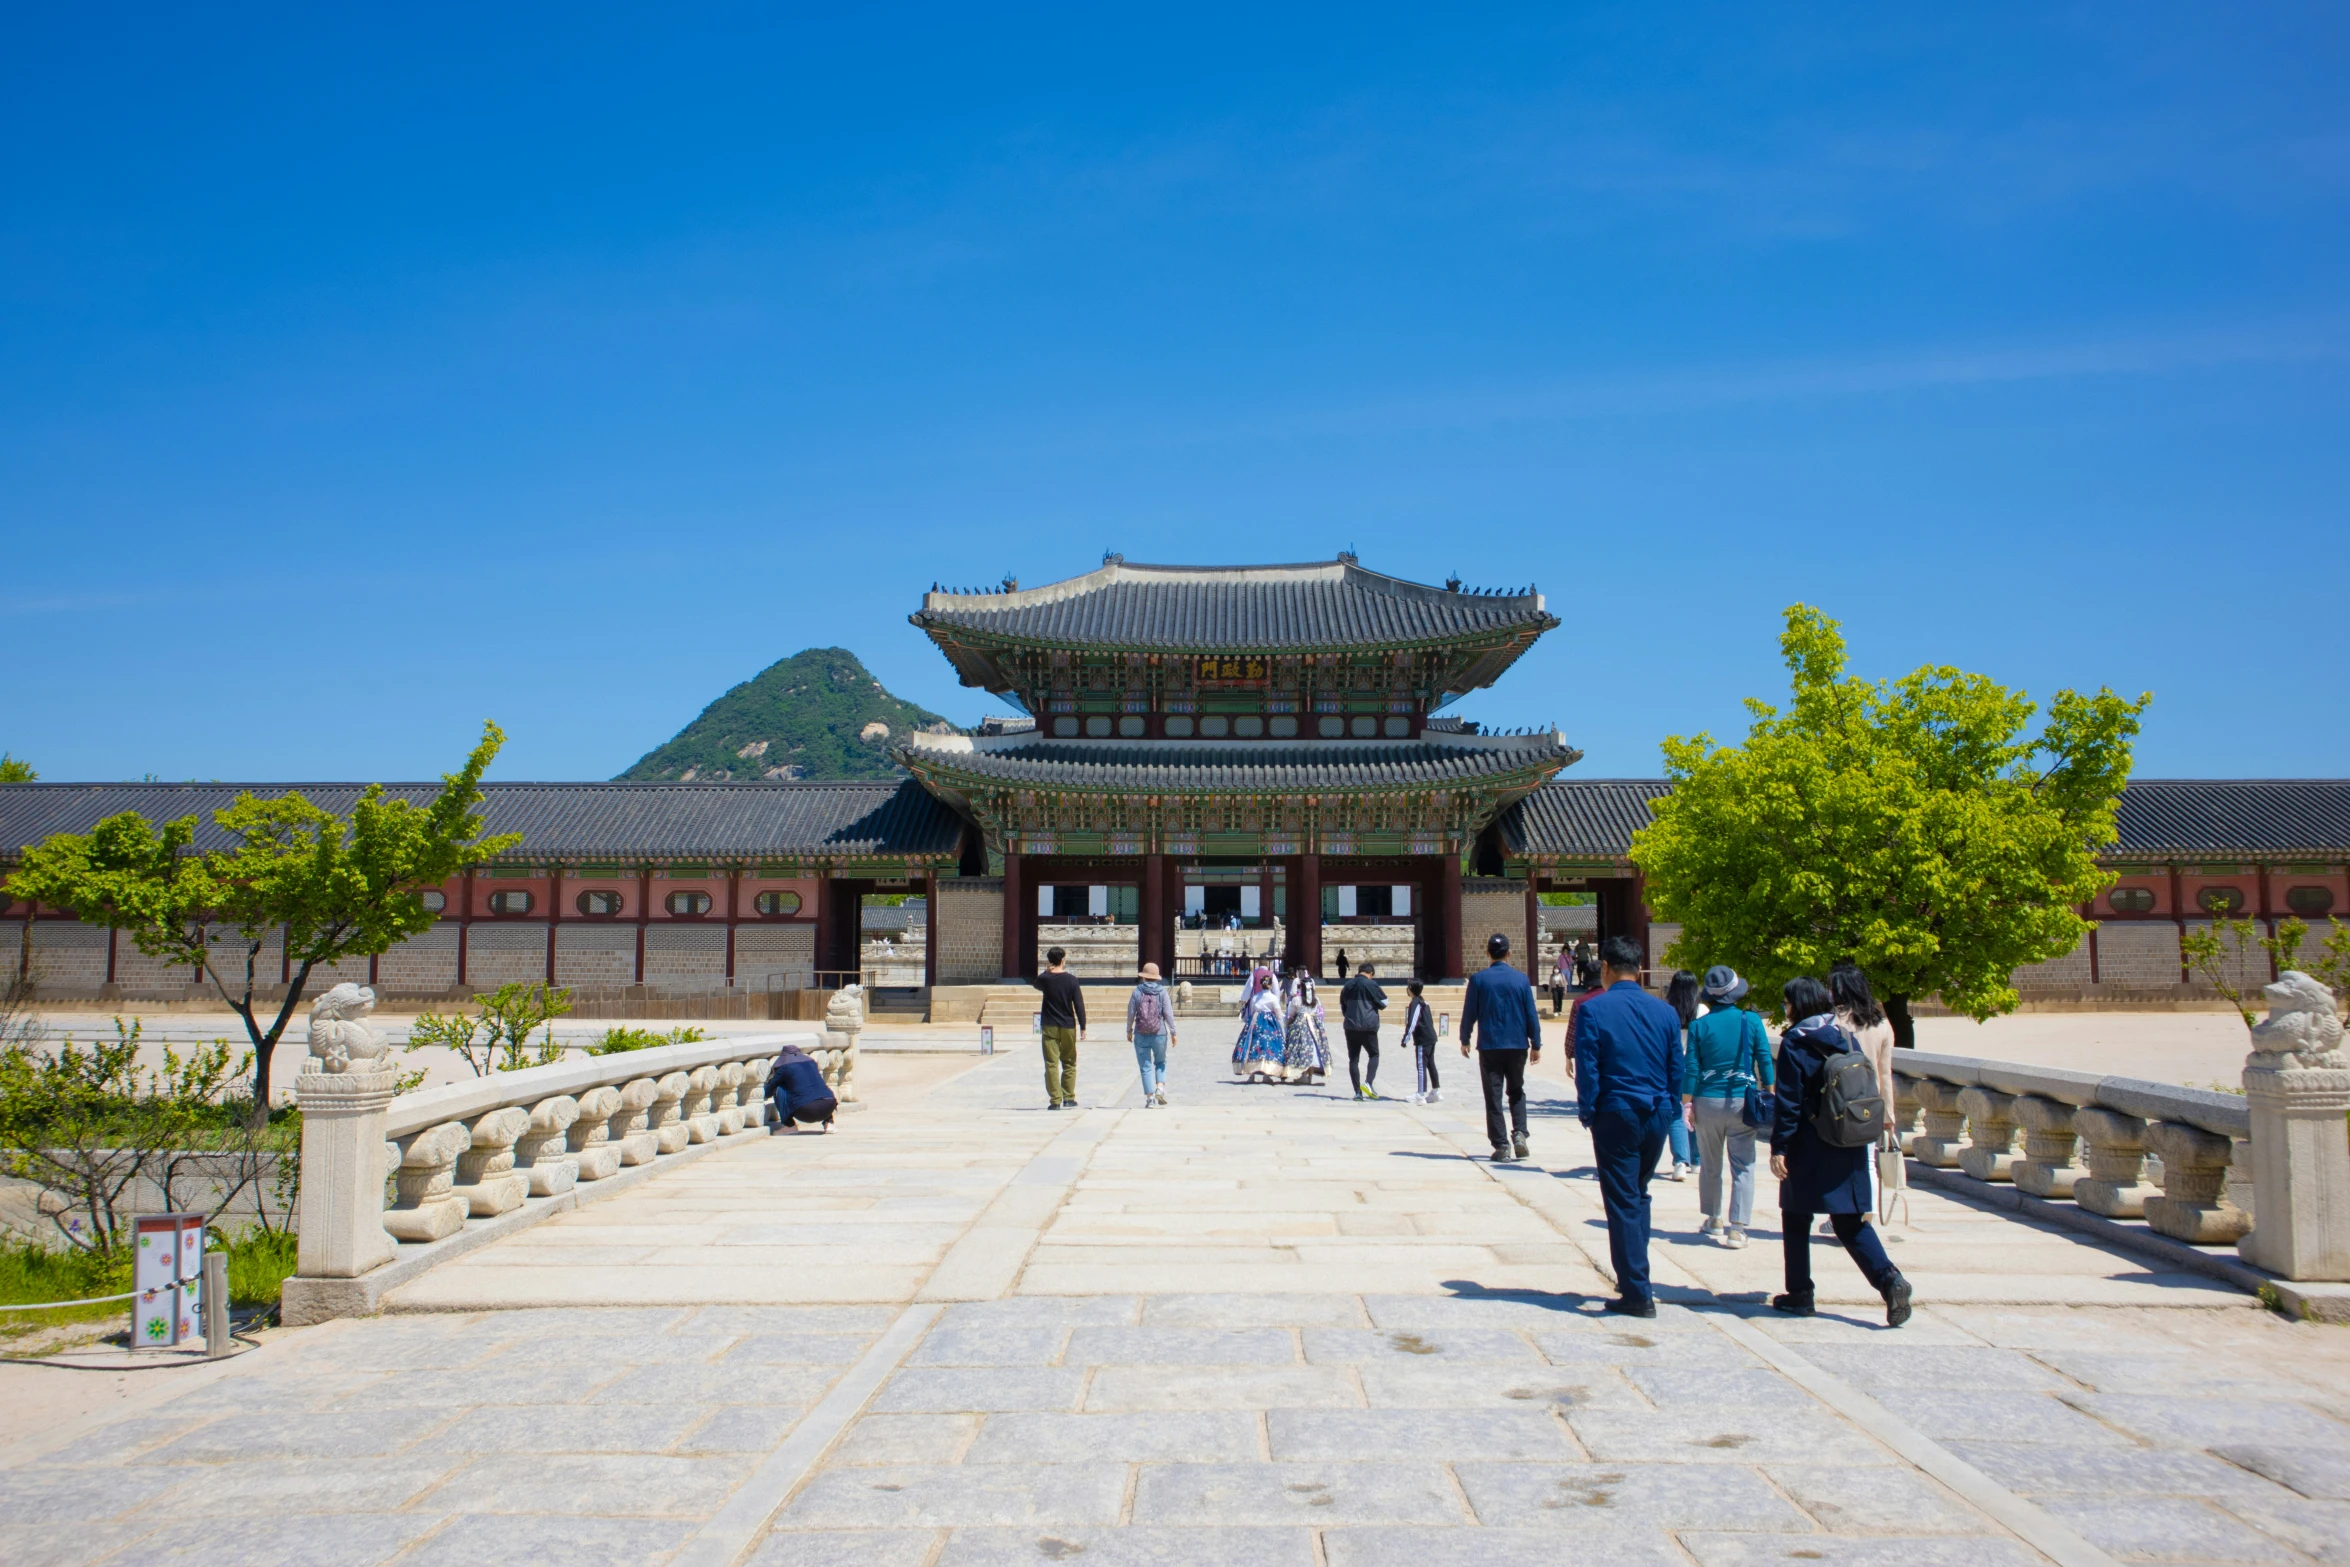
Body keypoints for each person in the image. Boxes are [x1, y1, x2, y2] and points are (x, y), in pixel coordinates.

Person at [1770, 975, 1913, 1326]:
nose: (1785, 1008)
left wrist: (1779, 1146)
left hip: (1808, 1142)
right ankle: (1890, 1279)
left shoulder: (1796, 1041)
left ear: (1798, 1004)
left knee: (1796, 1215)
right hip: (1847, 1139)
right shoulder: (1843, 1035)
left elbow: (1788, 1101)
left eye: (1787, 1002)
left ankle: (1800, 1292)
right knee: (1849, 1220)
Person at [1571, 934, 1684, 1317]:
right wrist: (1669, 1109)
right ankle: (1636, 1275)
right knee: (1638, 1194)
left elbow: (1589, 1068)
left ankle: (1637, 1291)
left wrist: (1588, 1110)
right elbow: (1675, 1070)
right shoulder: (1665, 1012)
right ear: (1638, 968)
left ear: (1605, 967)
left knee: (1621, 1201)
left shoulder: (1594, 1010)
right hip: (1656, 1113)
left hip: (1616, 1112)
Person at [1680, 965, 1772, 1248]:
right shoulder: (1751, 1020)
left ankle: (1714, 1218)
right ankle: (1739, 1227)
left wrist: (1687, 1103)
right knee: (1743, 1164)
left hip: (1707, 1099)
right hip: (1742, 1098)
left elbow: (1692, 1066)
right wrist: (1769, 1091)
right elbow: (1764, 1059)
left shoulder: (1699, 1026)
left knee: (1710, 1163)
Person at [1460, 932, 1543, 1160]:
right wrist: (1536, 1042)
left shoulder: (1478, 980)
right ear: (1509, 953)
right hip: (1517, 1044)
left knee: (1493, 1095)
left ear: (1488, 953)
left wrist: (1464, 1038)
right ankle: (1520, 1134)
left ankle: (1501, 1145)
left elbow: (1470, 1013)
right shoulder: (1521, 980)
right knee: (1516, 1091)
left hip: (1490, 1044)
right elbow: (1530, 1014)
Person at [1829, 962, 1898, 1230]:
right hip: (1870, 1101)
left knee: (1835, 1161)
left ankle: (1838, 1216)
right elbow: (1885, 1073)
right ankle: (1865, 1211)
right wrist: (1889, 1114)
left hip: (1837, 1100)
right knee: (1868, 1160)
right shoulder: (1880, 1023)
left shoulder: (1833, 1021)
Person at [1031, 945, 1087, 1110]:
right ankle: (1068, 1097)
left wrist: (1047, 971)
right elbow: (1078, 1004)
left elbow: (1036, 984)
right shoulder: (1071, 980)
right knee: (1069, 1061)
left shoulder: (1045, 979)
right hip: (1068, 1025)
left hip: (1049, 1025)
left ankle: (1055, 1100)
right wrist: (1083, 1026)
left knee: (1051, 1062)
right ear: (1063, 959)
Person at [1660, 969, 1701, 1182]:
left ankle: (1680, 1162)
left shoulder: (1666, 1009)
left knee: (1677, 1112)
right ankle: (1697, 1160)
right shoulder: (1702, 1010)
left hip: (1673, 1064)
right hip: (1696, 1065)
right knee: (1696, 1111)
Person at [1127, 961, 1177, 1107]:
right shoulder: (1162, 992)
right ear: (1156, 977)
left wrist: (1129, 1030)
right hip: (1159, 1032)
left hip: (1141, 1033)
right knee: (1160, 1062)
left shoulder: (1137, 991)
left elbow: (1131, 1013)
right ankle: (1160, 1088)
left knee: (1145, 1065)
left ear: (1143, 977)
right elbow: (1168, 1013)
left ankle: (1149, 1098)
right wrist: (1173, 1032)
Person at [764, 1042, 839, 1133]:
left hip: (806, 1110)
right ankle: (829, 1123)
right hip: (829, 1106)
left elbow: (768, 1090)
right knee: (820, 1090)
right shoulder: (812, 1064)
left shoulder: (784, 1068)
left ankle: (789, 1126)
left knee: (778, 1089)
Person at [1339, 961, 1387, 1099]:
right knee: (1374, 1054)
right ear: (1370, 973)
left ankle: (1357, 1092)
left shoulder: (1347, 985)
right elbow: (1384, 1003)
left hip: (1350, 1025)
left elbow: (1343, 1005)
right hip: (1368, 1026)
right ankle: (1368, 1083)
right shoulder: (1371, 984)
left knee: (1353, 1059)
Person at [1231, 964, 1287, 1081]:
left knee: (1253, 1046)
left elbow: (1252, 1008)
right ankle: (1267, 1074)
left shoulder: (1256, 997)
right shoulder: (1273, 998)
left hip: (1255, 1021)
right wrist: (1282, 1029)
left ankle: (1252, 1074)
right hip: (1269, 1023)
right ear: (1270, 985)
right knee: (1268, 1047)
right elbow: (1278, 1015)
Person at [1282, 969, 1331, 1085]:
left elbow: (1291, 1014)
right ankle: (1309, 1075)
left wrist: (1287, 1023)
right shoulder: (1316, 1000)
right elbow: (1319, 1012)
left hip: (1301, 1026)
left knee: (1302, 1047)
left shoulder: (1297, 1000)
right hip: (1314, 1026)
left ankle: (1304, 1074)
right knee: (1314, 1048)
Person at [1403, 980, 1441, 1103]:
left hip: (1423, 1039)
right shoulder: (1424, 1002)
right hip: (1431, 1037)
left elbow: (1413, 1022)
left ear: (1410, 989)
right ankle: (1436, 1091)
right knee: (1431, 1064)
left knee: (1421, 1065)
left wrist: (1406, 1038)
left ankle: (1420, 1094)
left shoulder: (1415, 1003)